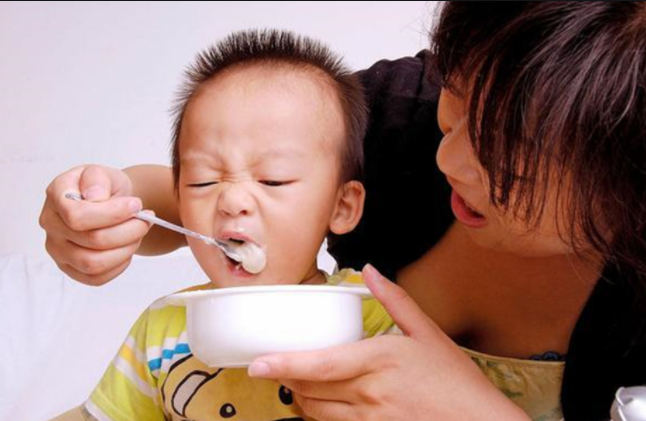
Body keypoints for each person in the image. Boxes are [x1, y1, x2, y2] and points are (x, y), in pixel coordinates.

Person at [40, 2, 646, 421]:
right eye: (458, 95)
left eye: (508, 156)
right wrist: (112, 201)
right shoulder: (401, 116)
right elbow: (242, 172)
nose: (451, 159)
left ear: (637, 193)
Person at [47, 28, 406, 421]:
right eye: (204, 181)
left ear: (342, 206)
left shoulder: (373, 317)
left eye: (273, 179)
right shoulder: (165, 328)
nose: (232, 201)